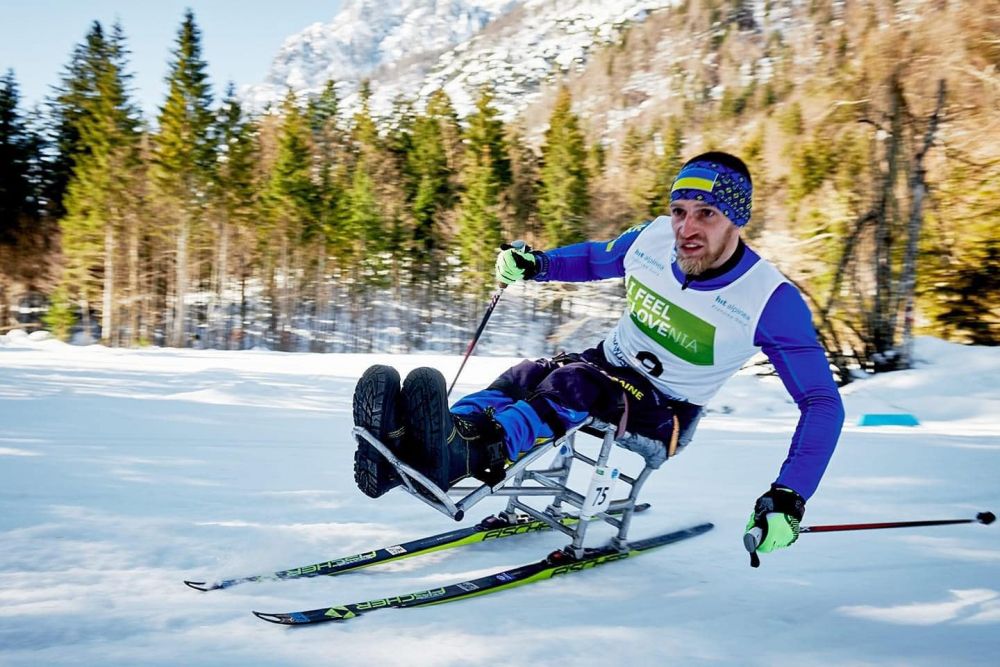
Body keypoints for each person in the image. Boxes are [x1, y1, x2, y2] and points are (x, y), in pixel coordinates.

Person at [352, 151, 844, 561]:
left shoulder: (769, 300)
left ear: (736, 217)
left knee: (574, 385)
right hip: (602, 364)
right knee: (527, 374)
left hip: (665, 411)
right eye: (679, 211)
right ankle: (430, 440)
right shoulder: (653, 238)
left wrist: (790, 494)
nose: (686, 228)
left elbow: (821, 403)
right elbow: (596, 258)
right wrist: (537, 264)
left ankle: (473, 454)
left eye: (706, 214)